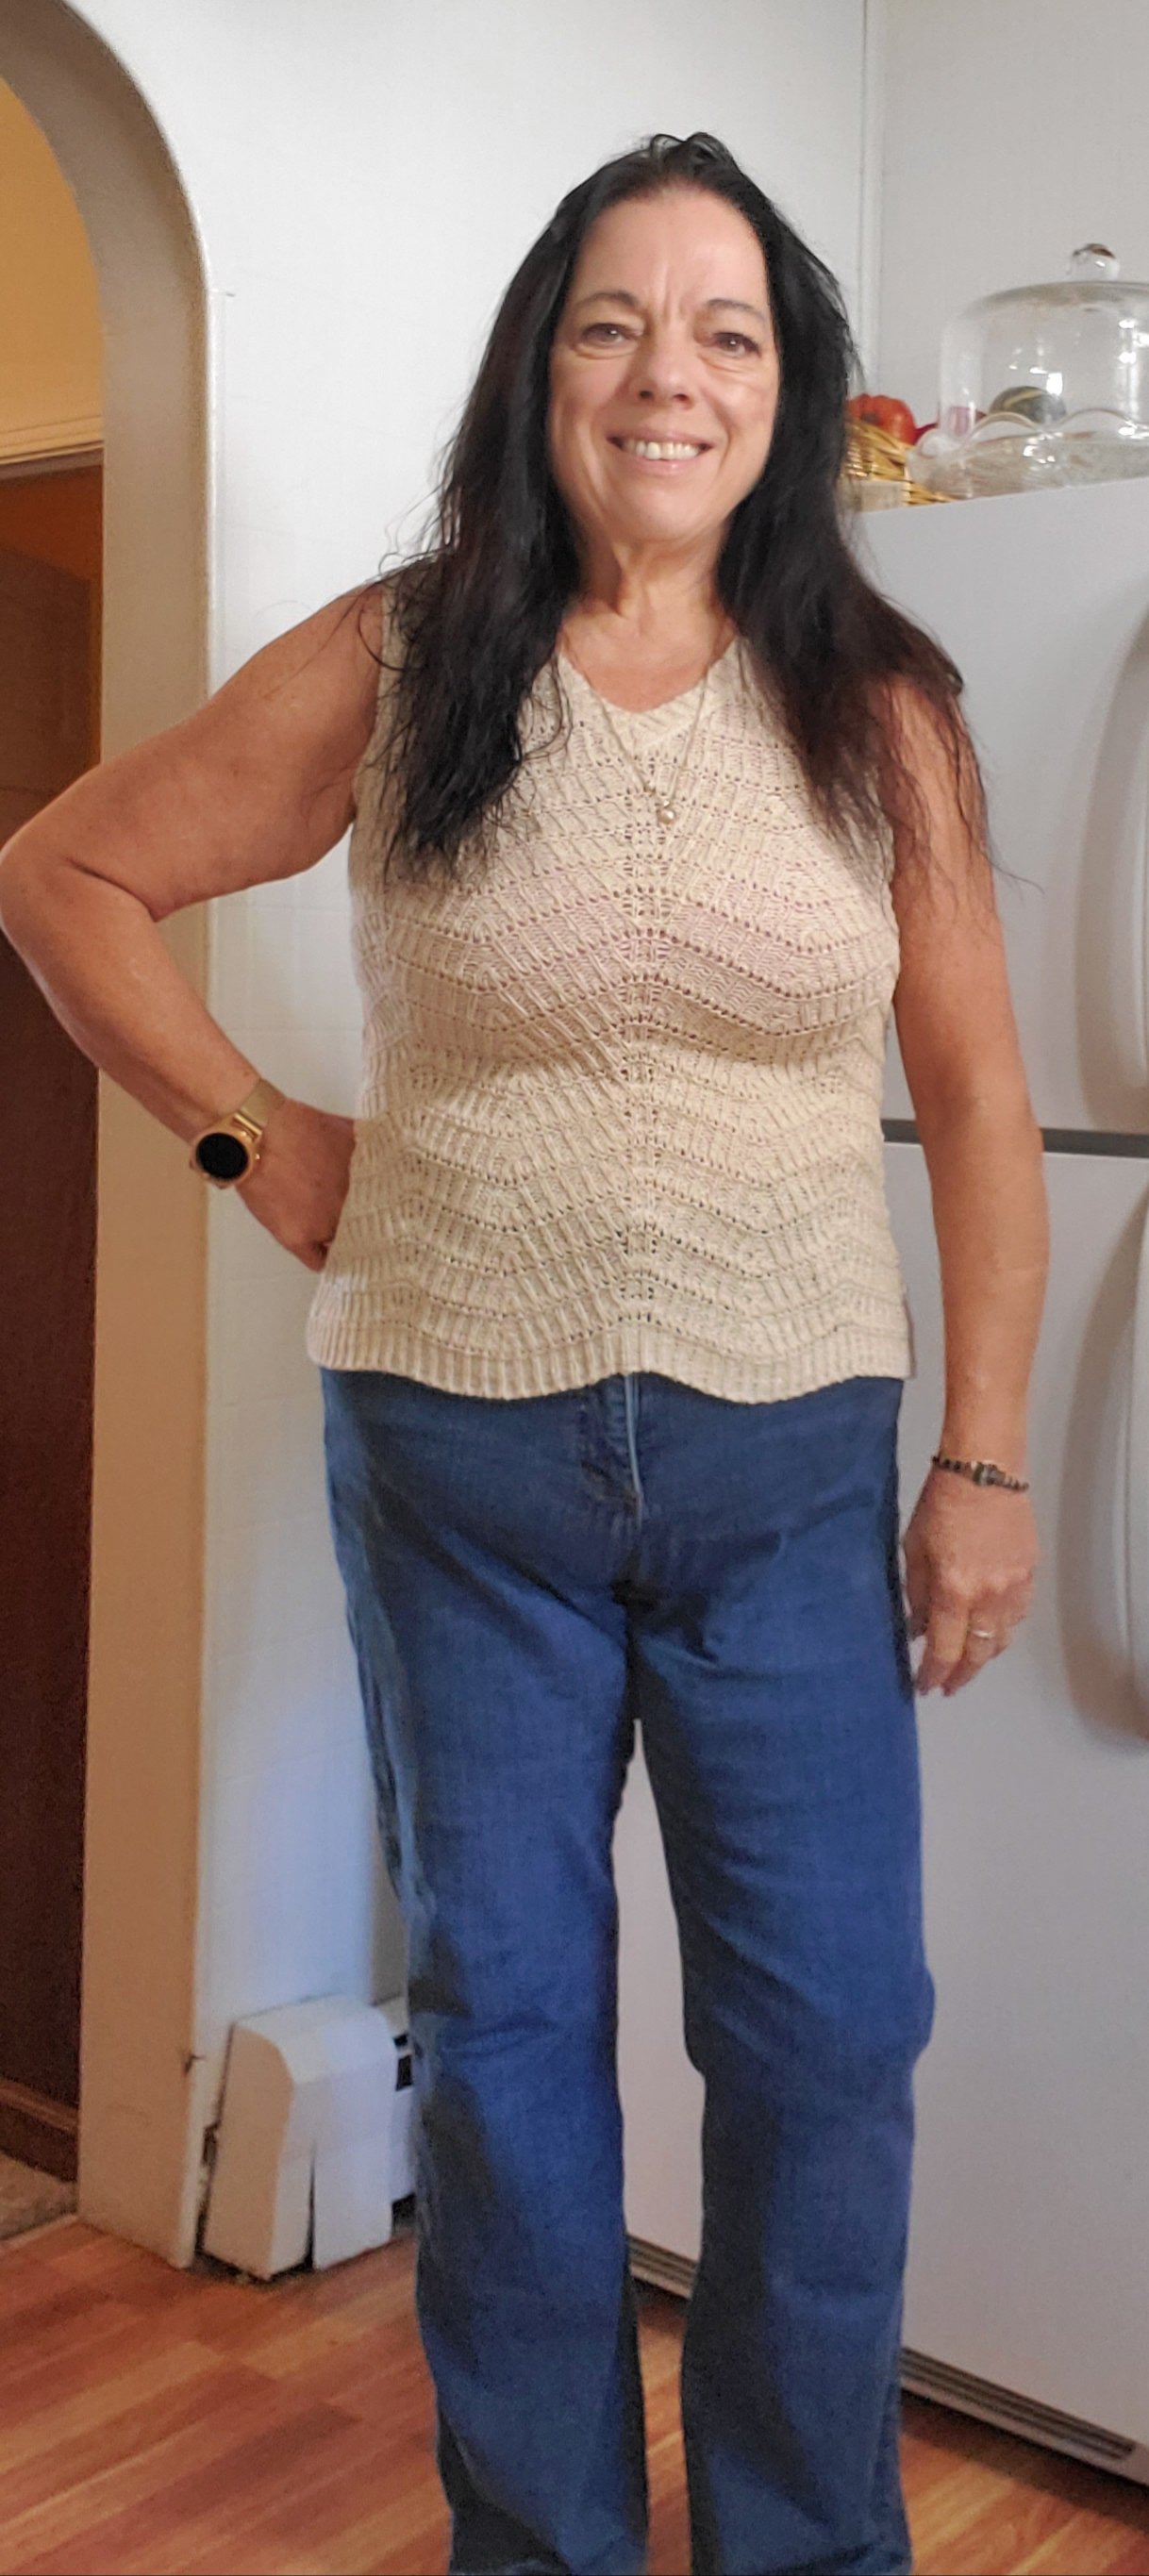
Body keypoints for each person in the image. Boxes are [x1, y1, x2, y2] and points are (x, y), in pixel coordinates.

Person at [0, 129, 1045, 2576]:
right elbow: (65, 870)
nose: (668, 373)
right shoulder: (404, 654)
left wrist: (986, 1462)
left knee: (827, 2037)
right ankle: (540, 2547)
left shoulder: (878, 702)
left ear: (785, 390)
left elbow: (985, 1102)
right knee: (506, 2041)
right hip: (456, 1458)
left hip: (795, 1459)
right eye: (613, 321)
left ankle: (805, 2546)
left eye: (725, 331)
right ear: (539, 369)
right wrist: (257, 1138)